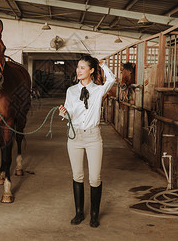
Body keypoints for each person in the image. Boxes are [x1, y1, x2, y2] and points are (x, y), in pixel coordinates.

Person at [59, 54, 116, 228]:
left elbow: (112, 79)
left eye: (83, 67)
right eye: (78, 67)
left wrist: (103, 65)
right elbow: (68, 113)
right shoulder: (71, 91)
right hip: (74, 135)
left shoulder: (99, 90)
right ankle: (79, 213)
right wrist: (63, 112)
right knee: (77, 175)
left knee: (95, 178)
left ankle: (94, 215)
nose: (78, 70)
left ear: (91, 71)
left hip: (93, 137)